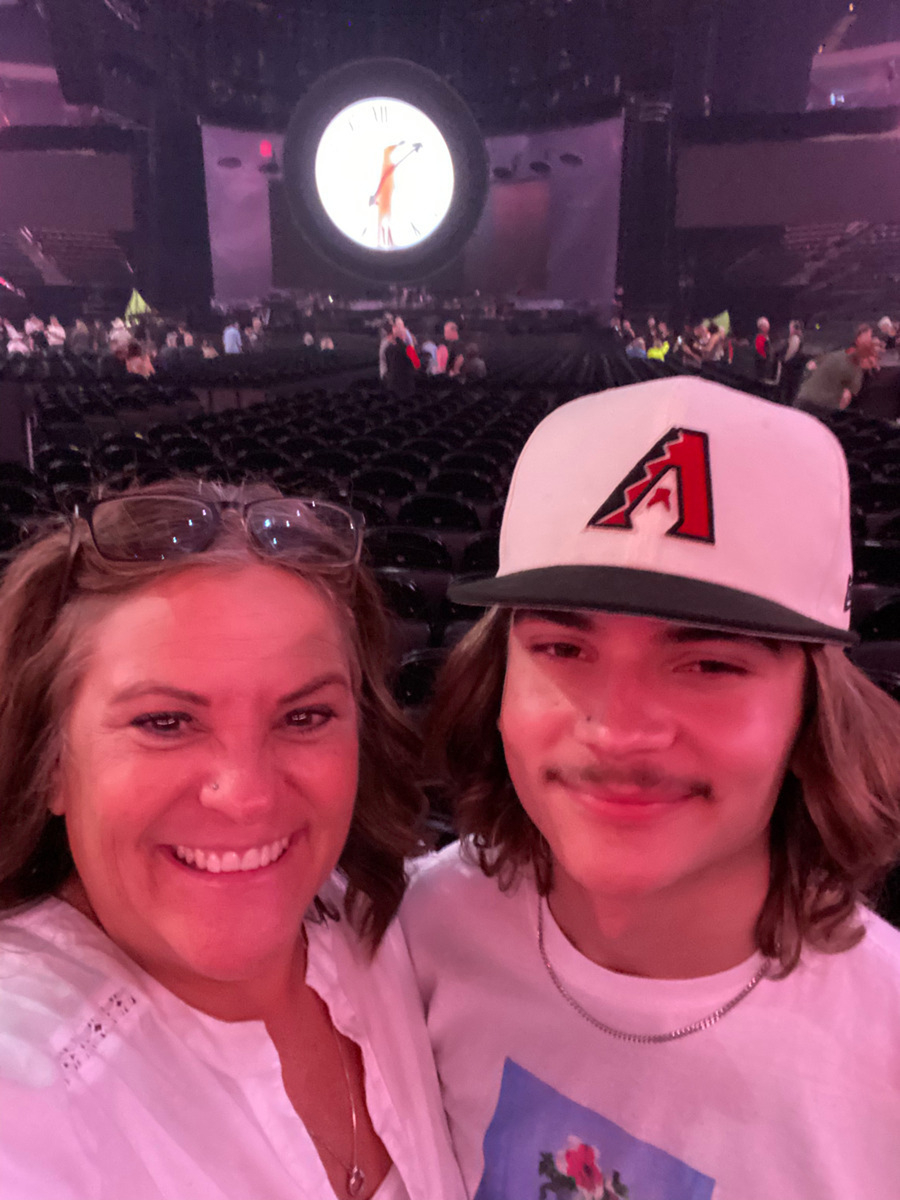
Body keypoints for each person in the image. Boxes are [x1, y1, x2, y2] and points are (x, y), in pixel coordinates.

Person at [401, 376, 900, 1199]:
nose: (618, 731)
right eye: (564, 649)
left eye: (708, 665)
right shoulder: (411, 933)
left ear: (813, 712)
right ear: (497, 680)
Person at [0, 480, 466, 1200]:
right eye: (165, 722)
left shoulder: (388, 922)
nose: (246, 796)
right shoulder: (25, 1083)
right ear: (52, 764)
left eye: (305, 717)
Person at [796, 323, 880, 412]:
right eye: (866, 336)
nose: (868, 340)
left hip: (813, 401)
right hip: (820, 403)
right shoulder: (848, 359)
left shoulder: (859, 365)